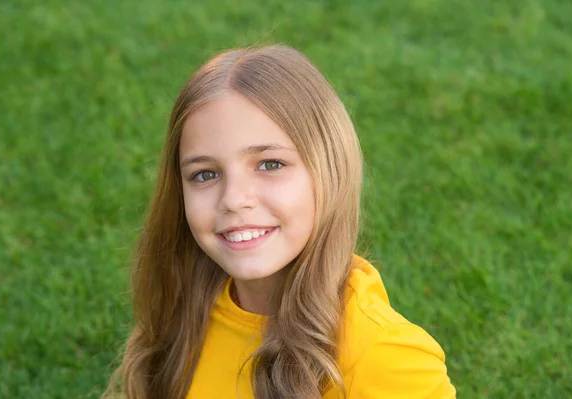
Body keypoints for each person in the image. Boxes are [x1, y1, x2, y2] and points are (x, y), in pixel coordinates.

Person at [104, 44, 456, 399]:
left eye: (270, 164)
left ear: (329, 169)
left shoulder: (387, 357)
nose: (234, 199)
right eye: (205, 174)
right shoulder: (186, 308)